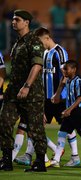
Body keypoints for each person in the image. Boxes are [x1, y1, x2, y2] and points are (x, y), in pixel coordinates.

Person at [14, 27, 79, 167]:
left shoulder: (59, 52)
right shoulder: (42, 53)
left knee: (66, 127)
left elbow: (66, 75)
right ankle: (30, 154)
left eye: (40, 41)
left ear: (47, 38)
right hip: (44, 98)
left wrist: (58, 94)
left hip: (59, 98)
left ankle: (75, 156)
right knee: (35, 126)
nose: (39, 44)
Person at [0, 9, 47, 172]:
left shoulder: (33, 41)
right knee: (4, 122)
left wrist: (27, 86)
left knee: (35, 128)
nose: (13, 22)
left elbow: (37, 65)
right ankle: (6, 160)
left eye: (17, 20)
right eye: (13, 19)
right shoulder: (17, 42)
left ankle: (40, 162)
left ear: (26, 23)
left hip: (31, 93)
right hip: (13, 92)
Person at [50, 60, 81, 168]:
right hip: (70, 111)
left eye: (67, 69)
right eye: (64, 69)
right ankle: (56, 160)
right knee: (61, 133)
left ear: (74, 70)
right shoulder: (68, 81)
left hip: (79, 111)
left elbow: (80, 98)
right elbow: (65, 94)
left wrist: (69, 110)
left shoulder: (78, 81)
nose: (64, 71)